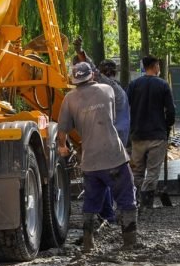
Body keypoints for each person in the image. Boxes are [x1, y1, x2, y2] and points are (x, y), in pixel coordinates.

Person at [57, 61, 138, 251]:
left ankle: (88, 243)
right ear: (92, 75)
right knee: (127, 198)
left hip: (90, 162)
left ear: (75, 79)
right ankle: (129, 242)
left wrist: (62, 147)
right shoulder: (107, 90)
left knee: (91, 203)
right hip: (114, 158)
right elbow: (112, 116)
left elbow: (62, 131)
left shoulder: (69, 99)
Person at [127, 55, 177, 209]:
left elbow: (126, 106)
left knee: (137, 171)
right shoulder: (163, 85)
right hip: (157, 134)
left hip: (137, 135)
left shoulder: (134, 85)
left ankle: (135, 200)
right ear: (155, 66)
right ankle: (147, 202)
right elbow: (171, 110)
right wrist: (167, 126)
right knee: (153, 170)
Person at [94, 59, 131, 226]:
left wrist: (81, 55)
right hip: (115, 139)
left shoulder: (112, 89)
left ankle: (110, 214)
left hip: (111, 140)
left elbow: (100, 77)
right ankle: (114, 213)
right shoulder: (117, 91)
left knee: (107, 176)